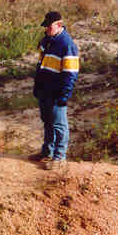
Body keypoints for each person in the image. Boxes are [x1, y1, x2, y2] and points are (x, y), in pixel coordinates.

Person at [31, 11, 79, 171]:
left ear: (59, 25)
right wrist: (37, 85)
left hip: (56, 93)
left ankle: (59, 158)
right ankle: (47, 152)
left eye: (49, 26)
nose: (46, 29)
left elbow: (71, 74)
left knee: (59, 125)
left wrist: (64, 96)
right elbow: (40, 64)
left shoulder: (67, 45)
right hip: (44, 90)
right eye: (45, 26)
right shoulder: (47, 41)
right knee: (47, 122)